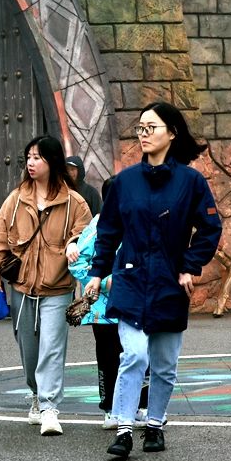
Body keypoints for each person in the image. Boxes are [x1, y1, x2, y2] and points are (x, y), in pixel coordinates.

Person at [85, 102, 222, 460]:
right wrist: (98, 273)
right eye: (141, 128)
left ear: (172, 133)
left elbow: (210, 229)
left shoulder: (191, 182)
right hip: (129, 281)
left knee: (164, 364)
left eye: (151, 127)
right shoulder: (125, 181)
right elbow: (108, 231)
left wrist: (190, 266)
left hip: (170, 285)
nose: (143, 134)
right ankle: (125, 429)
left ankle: (156, 425)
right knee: (133, 355)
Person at [0, 135, 92, 436]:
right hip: (22, 288)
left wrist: (73, 244)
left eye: (37, 157)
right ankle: (35, 392)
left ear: (52, 162)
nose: (30, 163)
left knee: (52, 348)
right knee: (29, 352)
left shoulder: (75, 203)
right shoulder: (16, 199)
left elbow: (85, 237)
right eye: (28, 157)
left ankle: (49, 407)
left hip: (57, 287)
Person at [67, 177, 149, 429]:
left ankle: (141, 407)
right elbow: (77, 263)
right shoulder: (96, 227)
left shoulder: (142, 224)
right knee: (109, 357)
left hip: (137, 304)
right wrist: (103, 282)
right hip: (102, 309)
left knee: (141, 355)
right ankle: (110, 408)